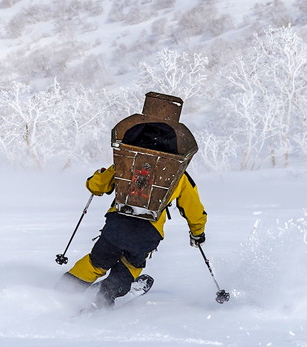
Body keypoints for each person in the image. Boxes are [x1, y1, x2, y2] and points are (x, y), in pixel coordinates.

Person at [65, 119, 207, 302]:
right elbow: (194, 209)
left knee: (96, 262)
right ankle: (104, 297)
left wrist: (97, 176)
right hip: (149, 232)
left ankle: (65, 290)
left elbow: (96, 186)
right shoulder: (178, 175)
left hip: (117, 223)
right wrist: (198, 233)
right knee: (131, 265)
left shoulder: (126, 163)